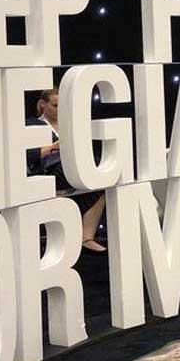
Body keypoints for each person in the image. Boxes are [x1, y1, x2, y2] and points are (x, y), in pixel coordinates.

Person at [26, 88, 107, 253]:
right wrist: (53, 147)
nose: (59, 110)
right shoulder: (32, 124)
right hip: (46, 171)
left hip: (70, 167)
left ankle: (86, 235)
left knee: (103, 171)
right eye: (55, 106)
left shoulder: (69, 125)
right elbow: (27, 155)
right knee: (73, 169)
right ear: (43, 105)